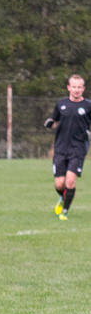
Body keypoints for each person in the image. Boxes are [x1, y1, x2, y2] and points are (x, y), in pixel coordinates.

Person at [45, 74, 91, 220]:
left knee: (70, 181)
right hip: (60, 148)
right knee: (60, 184)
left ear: (83, 89)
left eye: (79, 87)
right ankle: (62, 197)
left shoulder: (88, 105)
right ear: (68, 88)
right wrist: (50, 123)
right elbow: (55, 121)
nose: (76, 90)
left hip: (78, 148)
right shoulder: (61, 104)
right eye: (74, 87)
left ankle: (64, 211)